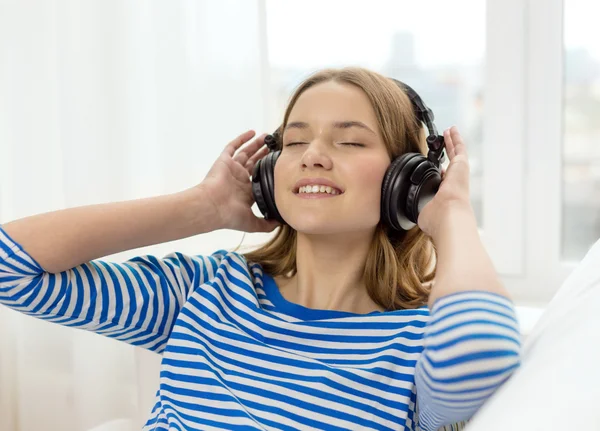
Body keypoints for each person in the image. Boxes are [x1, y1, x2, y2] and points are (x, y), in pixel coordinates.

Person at [0, 67, 521, 431]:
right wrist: (201, 208)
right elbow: (10, 267)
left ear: (406, 183)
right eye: (294, 141)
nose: (313, 155)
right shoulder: (203, 290)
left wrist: (448, 214)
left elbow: (482, 353)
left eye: (350, 141)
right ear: (268, 175)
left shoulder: (414, 341)